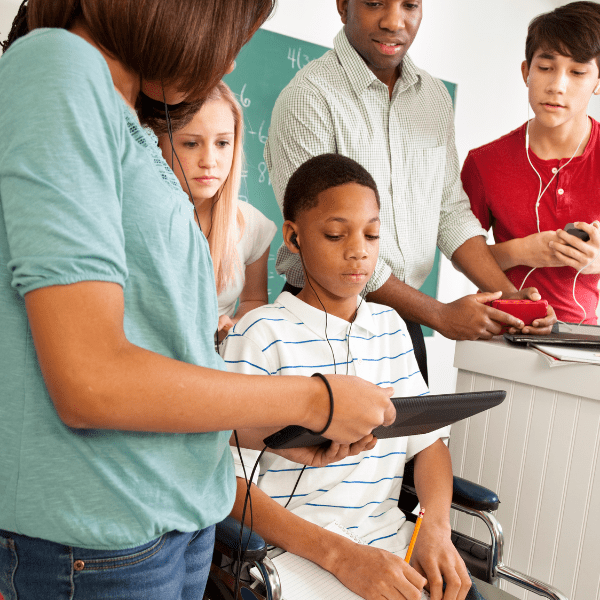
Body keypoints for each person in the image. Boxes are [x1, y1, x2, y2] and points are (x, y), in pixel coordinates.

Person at [0, 2, 397, 598]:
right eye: (229, 33)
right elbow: (90, 378)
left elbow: (162, 361)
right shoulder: (59, 67)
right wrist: (312, 399)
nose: (230, 58)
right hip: (103, 538)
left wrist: (274, 426)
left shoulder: (131, 124)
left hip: (180, 523)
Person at [222, 154, 484, 600]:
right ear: (294, 237)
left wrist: (433, 529)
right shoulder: (261, 334)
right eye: (335, 234)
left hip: (390, 544)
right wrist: (342, 557)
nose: (358, 249)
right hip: (296, 557)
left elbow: (428, 445)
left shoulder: (390, 327)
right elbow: (228, 482)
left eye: (372, 234)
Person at [265, 0, 556, 347]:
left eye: (409, 5)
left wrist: (513, 299)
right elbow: (322, 239)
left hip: (405, 323)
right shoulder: (308, 99)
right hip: (324, 320)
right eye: (375, 3)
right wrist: (438, 314)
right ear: (343, 7)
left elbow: (450, 212)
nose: (394, 21)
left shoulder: (433, 98)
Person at [461, 1, 600, 325]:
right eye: (546, 67)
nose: (557, 85)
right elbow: (463, 255)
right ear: (526, 71)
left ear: (598, 80)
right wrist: (522, 251)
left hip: (584, 348)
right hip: (503, 335)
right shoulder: (484, 163)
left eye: (578, 72)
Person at [152, 81, 277, 337]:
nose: (209, 161)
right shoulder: (142, 220)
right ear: (159, 144)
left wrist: (234, 325)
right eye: (191, 144)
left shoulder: (252, 225)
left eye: (222, 143)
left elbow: (253, 301)